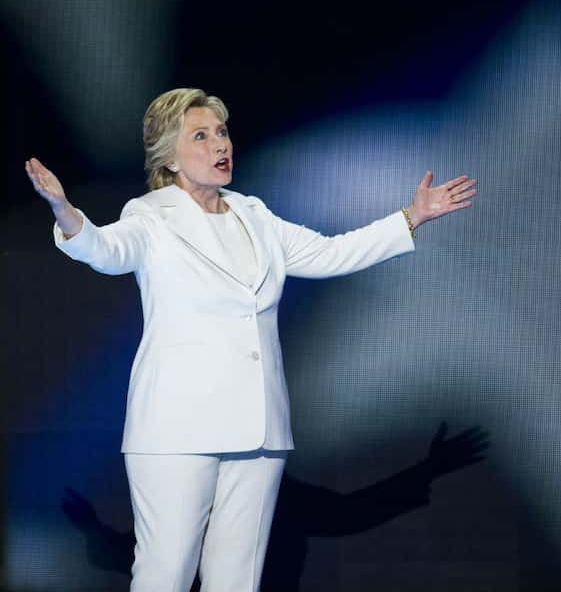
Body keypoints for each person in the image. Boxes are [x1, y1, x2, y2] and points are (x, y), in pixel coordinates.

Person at [24, 87, 477, 592]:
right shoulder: (150, 218)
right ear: (169, 157)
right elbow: (104, 250)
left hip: (255, 430)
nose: (220, 144)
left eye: (221, 132)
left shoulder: (259, 216)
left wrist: (410, 219)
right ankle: (34, 521)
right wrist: (64, 210)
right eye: (201, 135)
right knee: (167, 566)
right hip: (176, 428)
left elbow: (330, 254)